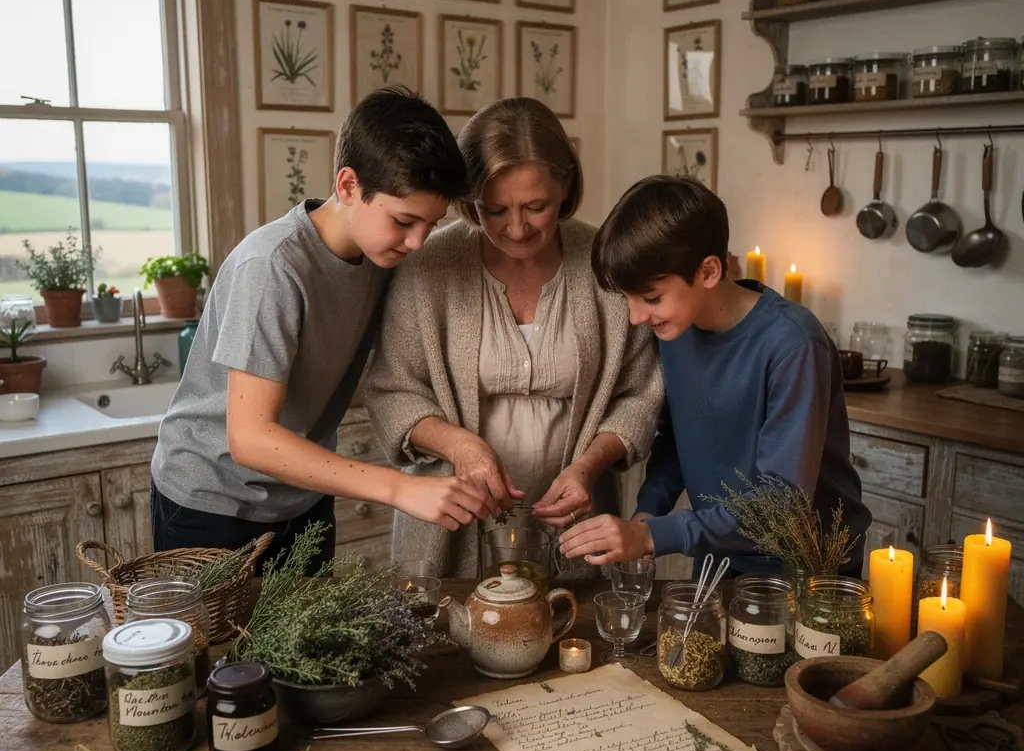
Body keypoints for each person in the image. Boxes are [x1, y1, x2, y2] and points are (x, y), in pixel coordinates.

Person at [150, 87, 493, 571]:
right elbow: (250, 437)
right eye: (404, 221)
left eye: (430, 225)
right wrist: (399, 488)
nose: (418, 243)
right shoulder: (272, 267)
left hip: (303, 500)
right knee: (224, 651)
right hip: (212, 502)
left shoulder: (382, 253)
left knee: (305, 648)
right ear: (349, 186)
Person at [364, 97, 663, 577]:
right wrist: (462, 447)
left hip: (574, 528)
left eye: (535, 207)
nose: (517, 228)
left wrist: (587, 466)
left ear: (565, 187)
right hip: (449, 529)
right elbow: (391, 390)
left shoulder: (604, 261)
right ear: (469, 198)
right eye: (495, 209)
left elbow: (639, 394)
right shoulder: (427, 267)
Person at [559, 174, 870, 575]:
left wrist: (657, 535)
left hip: (808, 571)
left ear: (707, 271)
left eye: (651, 298)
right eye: (628, 298)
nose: (636, 317)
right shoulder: (675, 328)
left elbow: (781, 507)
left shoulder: (793, 344)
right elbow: (677, 439)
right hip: (720, 556)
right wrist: (647, 514)